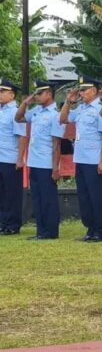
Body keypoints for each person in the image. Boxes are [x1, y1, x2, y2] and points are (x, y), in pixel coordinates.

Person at [59, 75, 102, 242]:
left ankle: (100, 231)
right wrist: (68, 102)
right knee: (84, 196)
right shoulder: (81, 109)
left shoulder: (100, 109)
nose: (81, 93)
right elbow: (63, 119)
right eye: (80, 90)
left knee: (97, 196)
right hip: (81, 158)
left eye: (84, 90)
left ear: (95, 91)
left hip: (94, 159)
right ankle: (90, 229)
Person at [15, 80, 65, 240]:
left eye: (39, 93)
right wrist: (25, 102)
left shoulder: (56, 115)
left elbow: (56, 144)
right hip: (34, 162)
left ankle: (50, 232)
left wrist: (55, 168)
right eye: (35, 93)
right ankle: (41, 231)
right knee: (37, 198)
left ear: (49, 94)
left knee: (48, 198)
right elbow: (19, 117)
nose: (36, 96)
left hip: (46, 163)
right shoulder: (36, 111)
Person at [0, 79, 27, 236]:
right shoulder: (1, 110)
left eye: (3, 92)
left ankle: (12, 224)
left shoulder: (15, 112)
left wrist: (20, 158)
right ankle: (3, 222)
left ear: (12, 94)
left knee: (11, 193)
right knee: (2, 193)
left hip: (10, 158)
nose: (0, 94)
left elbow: (22, 136)